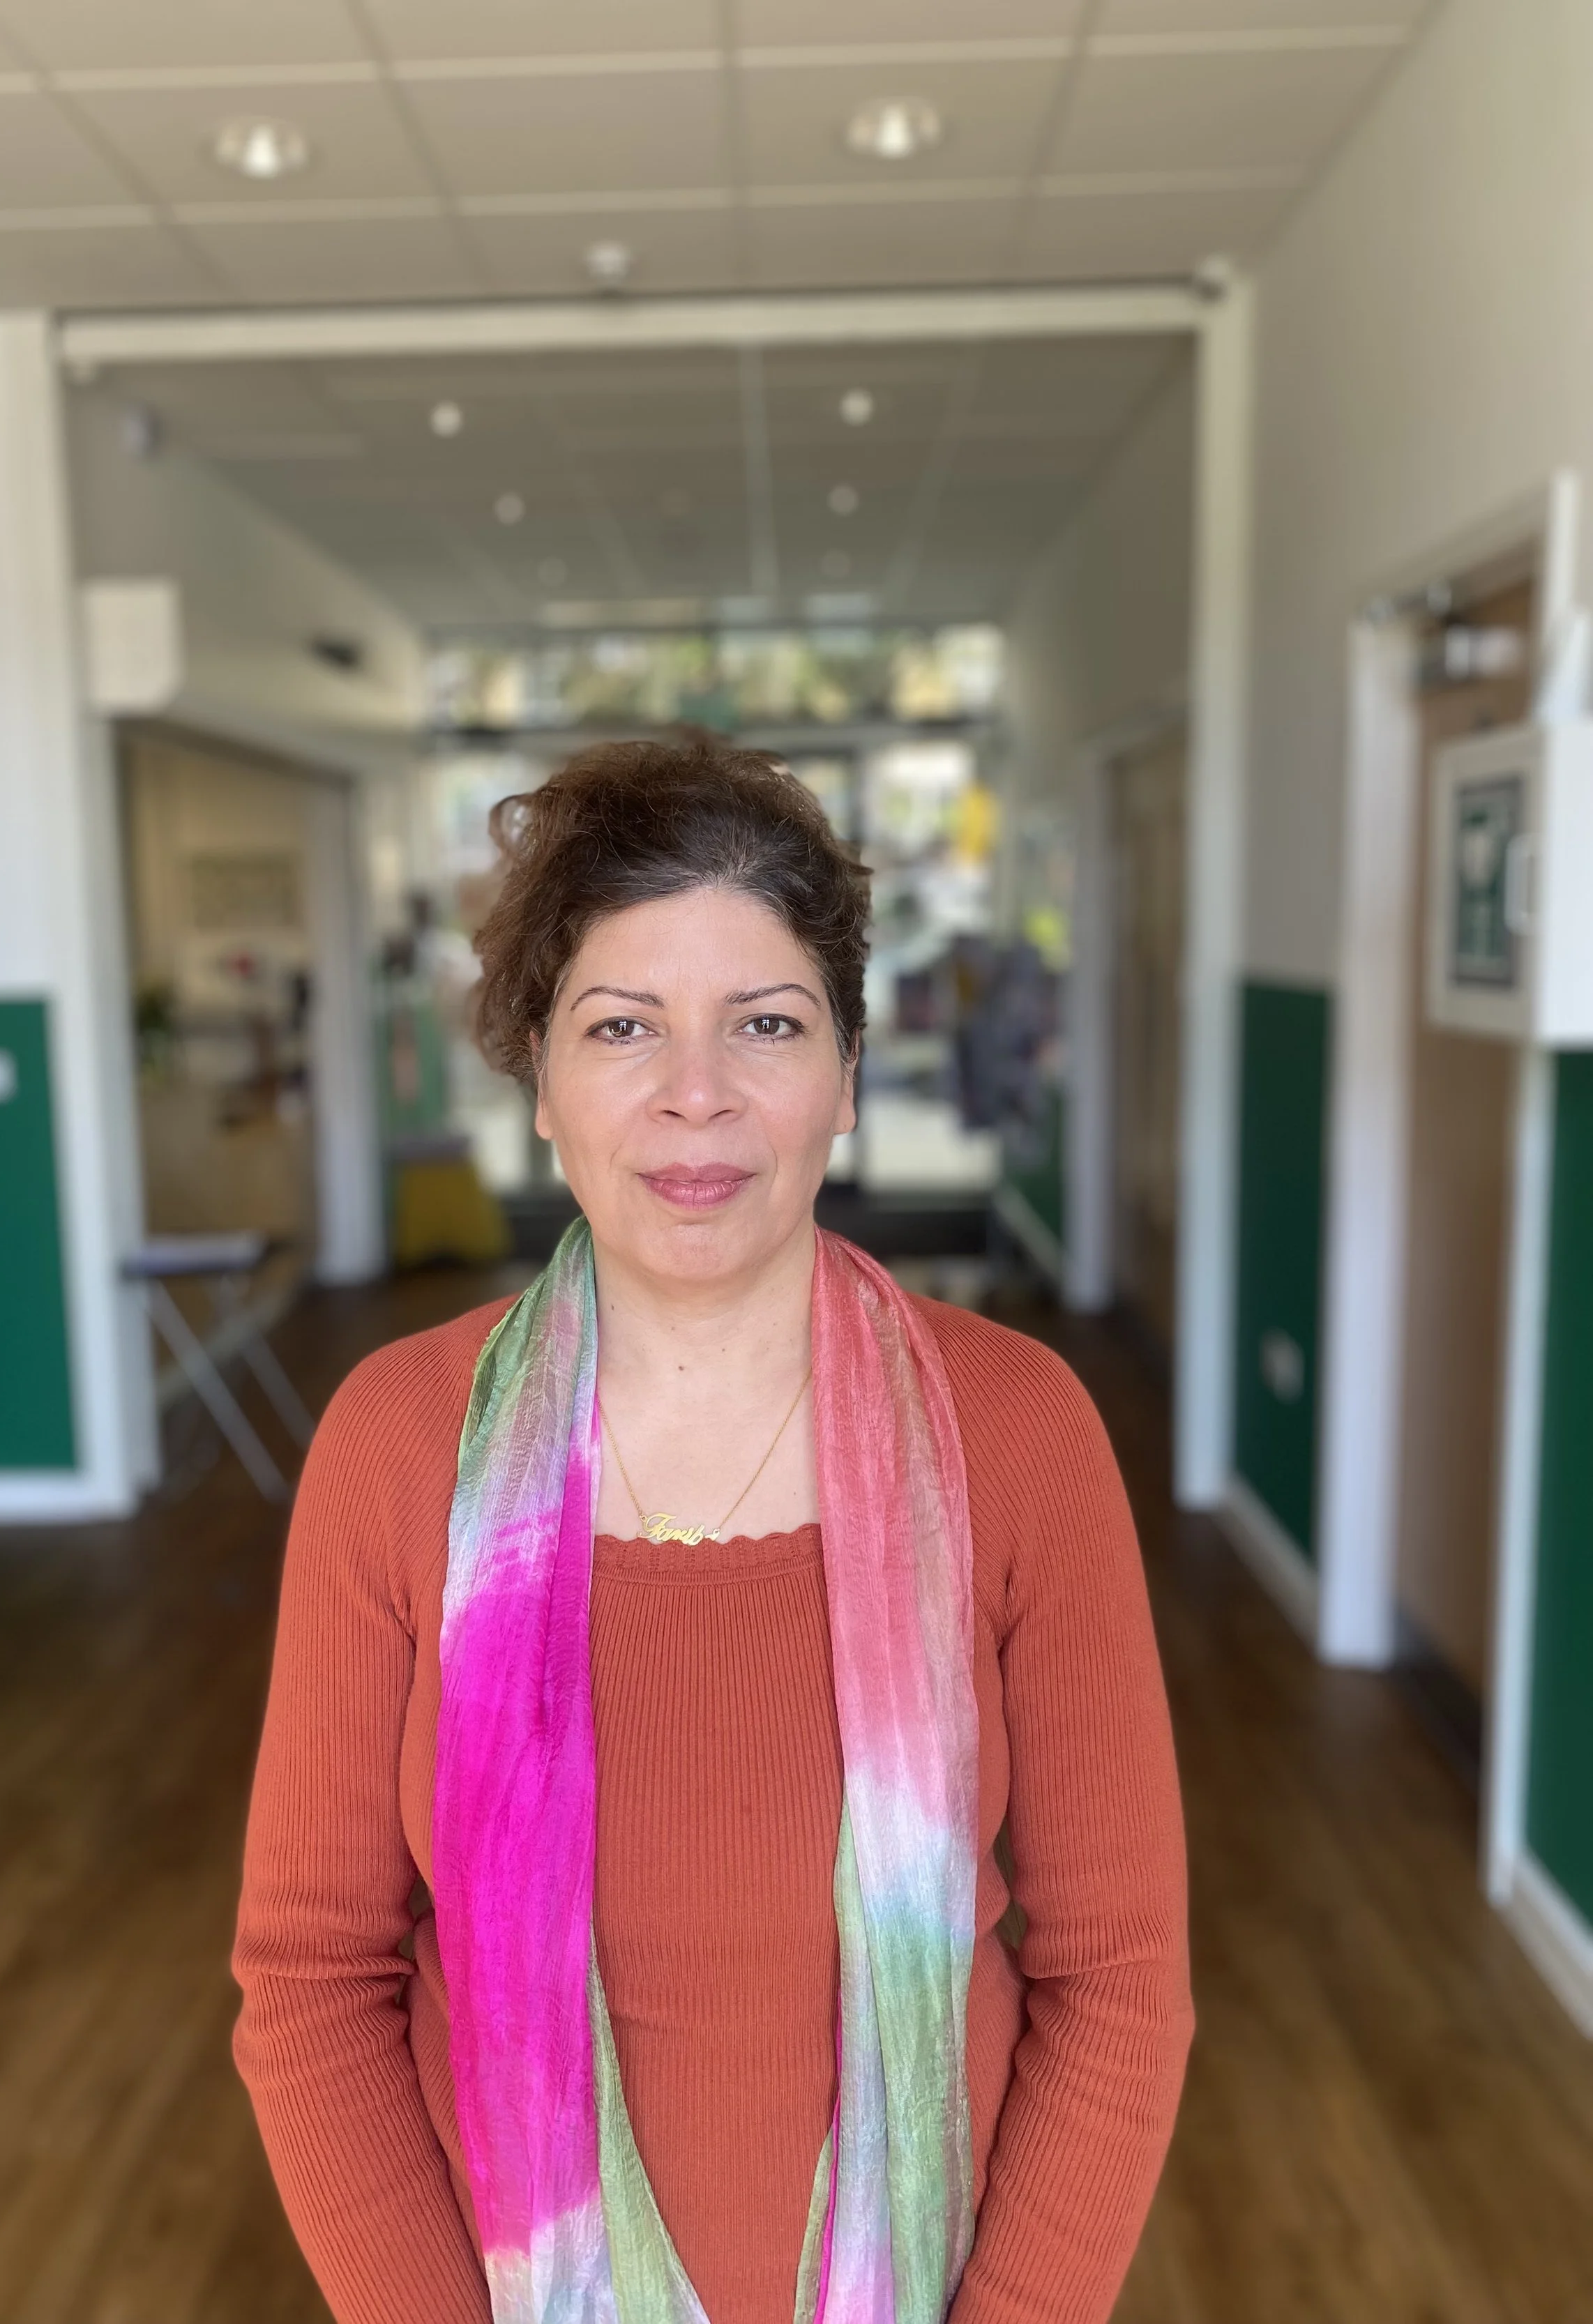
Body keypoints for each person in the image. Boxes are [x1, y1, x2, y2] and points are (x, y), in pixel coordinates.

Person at [232, 734, 1192, 2324]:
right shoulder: (396, 1444)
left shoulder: (1018, 1434)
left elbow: (1117, 1978)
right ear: (539, 1082)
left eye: (765, 1022)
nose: (698, 1092)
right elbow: (312, 1981)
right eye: (622, 1027)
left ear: (846, 1077)